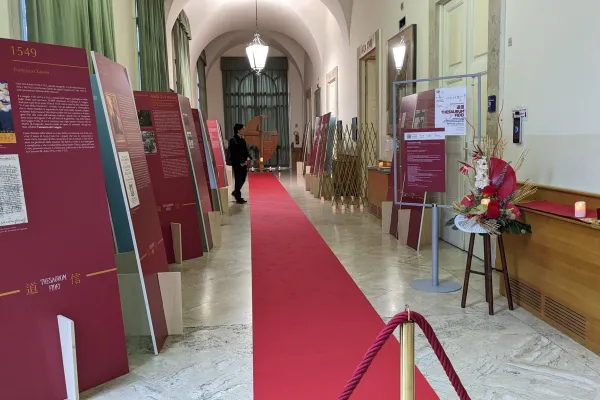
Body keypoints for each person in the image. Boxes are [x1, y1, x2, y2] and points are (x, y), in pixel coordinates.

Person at [229, 123, 250, 204]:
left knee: (243, 179)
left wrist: (248, 158)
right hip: (237, 163)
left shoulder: (242, 139)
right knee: (238, 180)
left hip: (243, 163)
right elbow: (234, 153)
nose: (244, 130)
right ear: (238, 130)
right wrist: (241, 161)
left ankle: (235, 192)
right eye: (243, 129)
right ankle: (238, 197)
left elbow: (245, 151)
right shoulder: (233, 140)